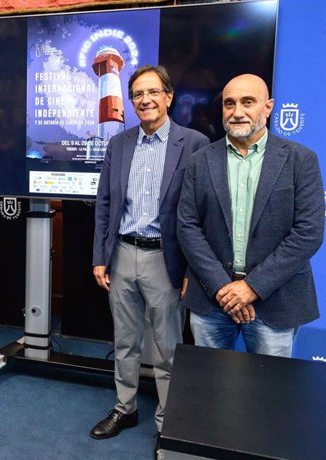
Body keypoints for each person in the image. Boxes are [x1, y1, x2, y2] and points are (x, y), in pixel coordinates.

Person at [91, 65, 209, 443]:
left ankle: (166, 420)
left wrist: (193, 267)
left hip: (166, 258)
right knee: (125, 340)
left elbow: (203, 211)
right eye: (138, 94)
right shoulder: (119, 144)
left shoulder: (194, 144)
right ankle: (125, 408)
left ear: (169, 97)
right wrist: (100, 256)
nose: (145, 100)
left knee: (167, 346)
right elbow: (105, 204)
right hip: (123, 253)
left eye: (153, 92)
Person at [177, 74, 324, 357]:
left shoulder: (301, 160)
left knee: (270, 392)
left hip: (276, 300)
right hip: (212, 297)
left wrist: (251, 287)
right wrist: (223, 286)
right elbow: (188, 227)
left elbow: (308, 233)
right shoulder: (200, 161)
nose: (237, 112)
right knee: (207, 388)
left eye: (248, 102)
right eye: (229, 104)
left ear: (268, 107)